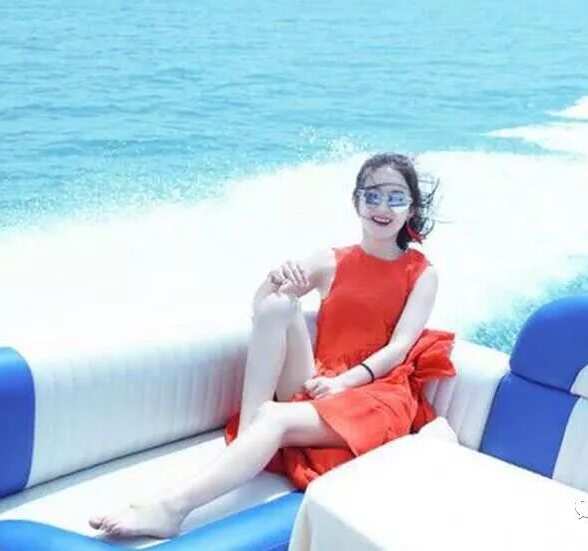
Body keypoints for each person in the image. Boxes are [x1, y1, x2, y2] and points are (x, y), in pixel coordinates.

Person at [89, 153, 456, 539]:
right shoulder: (330, 261)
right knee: (279, 303)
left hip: (376, 393)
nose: (382, 207)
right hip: (321, 379)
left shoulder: (421, 272)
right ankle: (252, 434)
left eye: (396, 198)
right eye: (373, 196)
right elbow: (261, 312)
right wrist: (273, 279)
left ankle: (170, 509)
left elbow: (400, 347)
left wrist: (343, 383)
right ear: (357, 201)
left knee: (276, 418)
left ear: (410, 207)